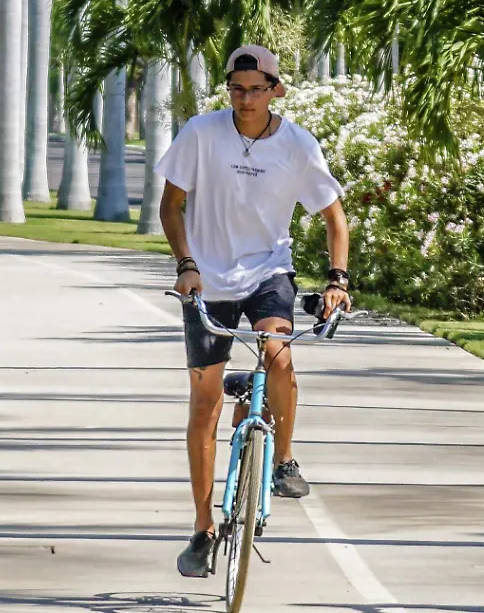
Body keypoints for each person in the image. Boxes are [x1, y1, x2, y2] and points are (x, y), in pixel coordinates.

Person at [156, 44, 352, 579]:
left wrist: (338, 280)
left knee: (279, 354)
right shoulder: (201, 133)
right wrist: (186, 264)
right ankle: (202, 528)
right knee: (205, 406)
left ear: (275, 91)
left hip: (269, 272)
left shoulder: (296, 145)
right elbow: (170, 206)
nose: (245, 99)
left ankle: (283, 457)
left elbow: (335, 219)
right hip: (208, 282)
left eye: (256, 89)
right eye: (237, 89)